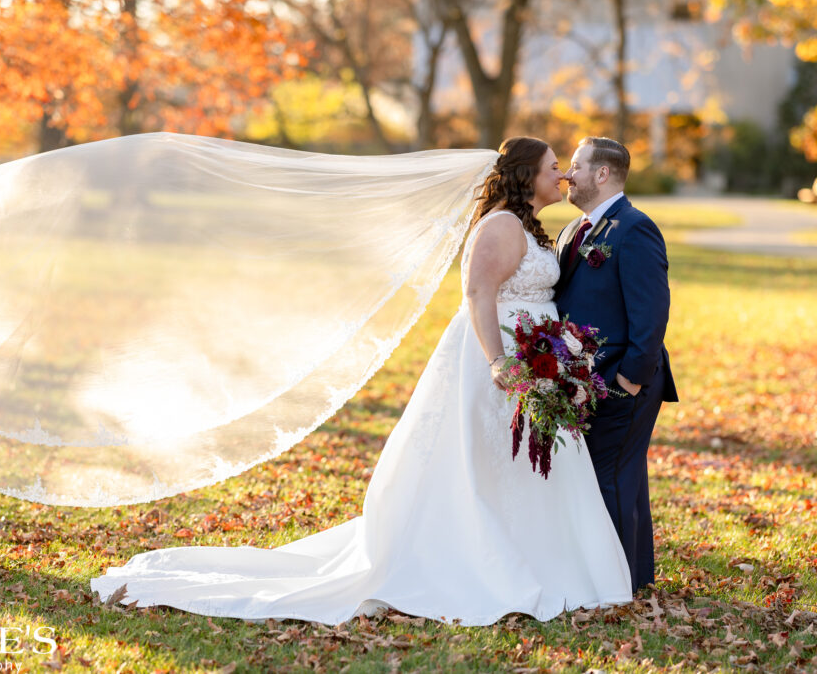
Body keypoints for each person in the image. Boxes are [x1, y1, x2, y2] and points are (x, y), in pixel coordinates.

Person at [89, 137, 633, 626]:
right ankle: (479, 558)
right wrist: (499, 363)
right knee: (482, 463)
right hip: (498, 359)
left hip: (537, 358)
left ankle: (536, 556)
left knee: (520, 463)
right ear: (525, 176)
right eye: (553, 168)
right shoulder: (501, 226)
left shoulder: (532, 227)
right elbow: (477, 297)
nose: (561, 176)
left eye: (563, 169)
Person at [554, 137, 678, 592]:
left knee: (614, 475)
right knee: (600, 475)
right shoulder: (573, 231)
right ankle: (616, 574)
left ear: (602, 174)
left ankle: (619, 583)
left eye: (575, 166)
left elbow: (651, 314)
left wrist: (630, 379)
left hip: (624, 379)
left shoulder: (634, 228)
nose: (567, 175)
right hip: (584, 380)